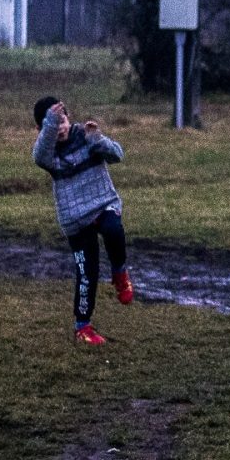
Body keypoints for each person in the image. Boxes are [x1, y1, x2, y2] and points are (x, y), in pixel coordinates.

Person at [32, 95, 133, 346]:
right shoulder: (48, 154)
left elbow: (117, 155)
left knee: (113, 229)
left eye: (63, 120)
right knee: (87, 273)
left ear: (70, 118)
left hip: (102, 204)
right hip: (76, 221)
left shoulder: (85, 136)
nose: (61, 128)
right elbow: (39, 156)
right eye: (54, 125)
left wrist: (97, 139)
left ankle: (120, 273)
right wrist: (50, 123)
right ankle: (83, 326)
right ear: (43, 129)